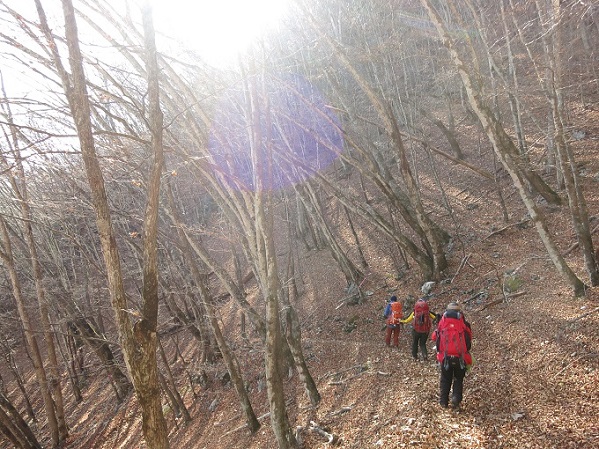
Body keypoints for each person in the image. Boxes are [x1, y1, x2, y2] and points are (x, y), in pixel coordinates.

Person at [431, 302, 472, 409]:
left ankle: (443, 401)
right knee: (458, 379)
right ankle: (456, 399)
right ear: (459, 311)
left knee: (445, 379)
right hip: (460, 357)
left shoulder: (442, 321)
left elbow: (434, 337)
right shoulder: (463, 322)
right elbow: (469, 338)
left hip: (445, 357)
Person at [400, 297, 437, 361]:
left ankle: (415, 356)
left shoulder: (415, 312)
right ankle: (425, 356)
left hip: (416, 330)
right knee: (422, 344)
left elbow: (407, 320)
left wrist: (401, 321)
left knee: (415, 343)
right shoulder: (428, 313)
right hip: (425, 331)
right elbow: (435, 318)